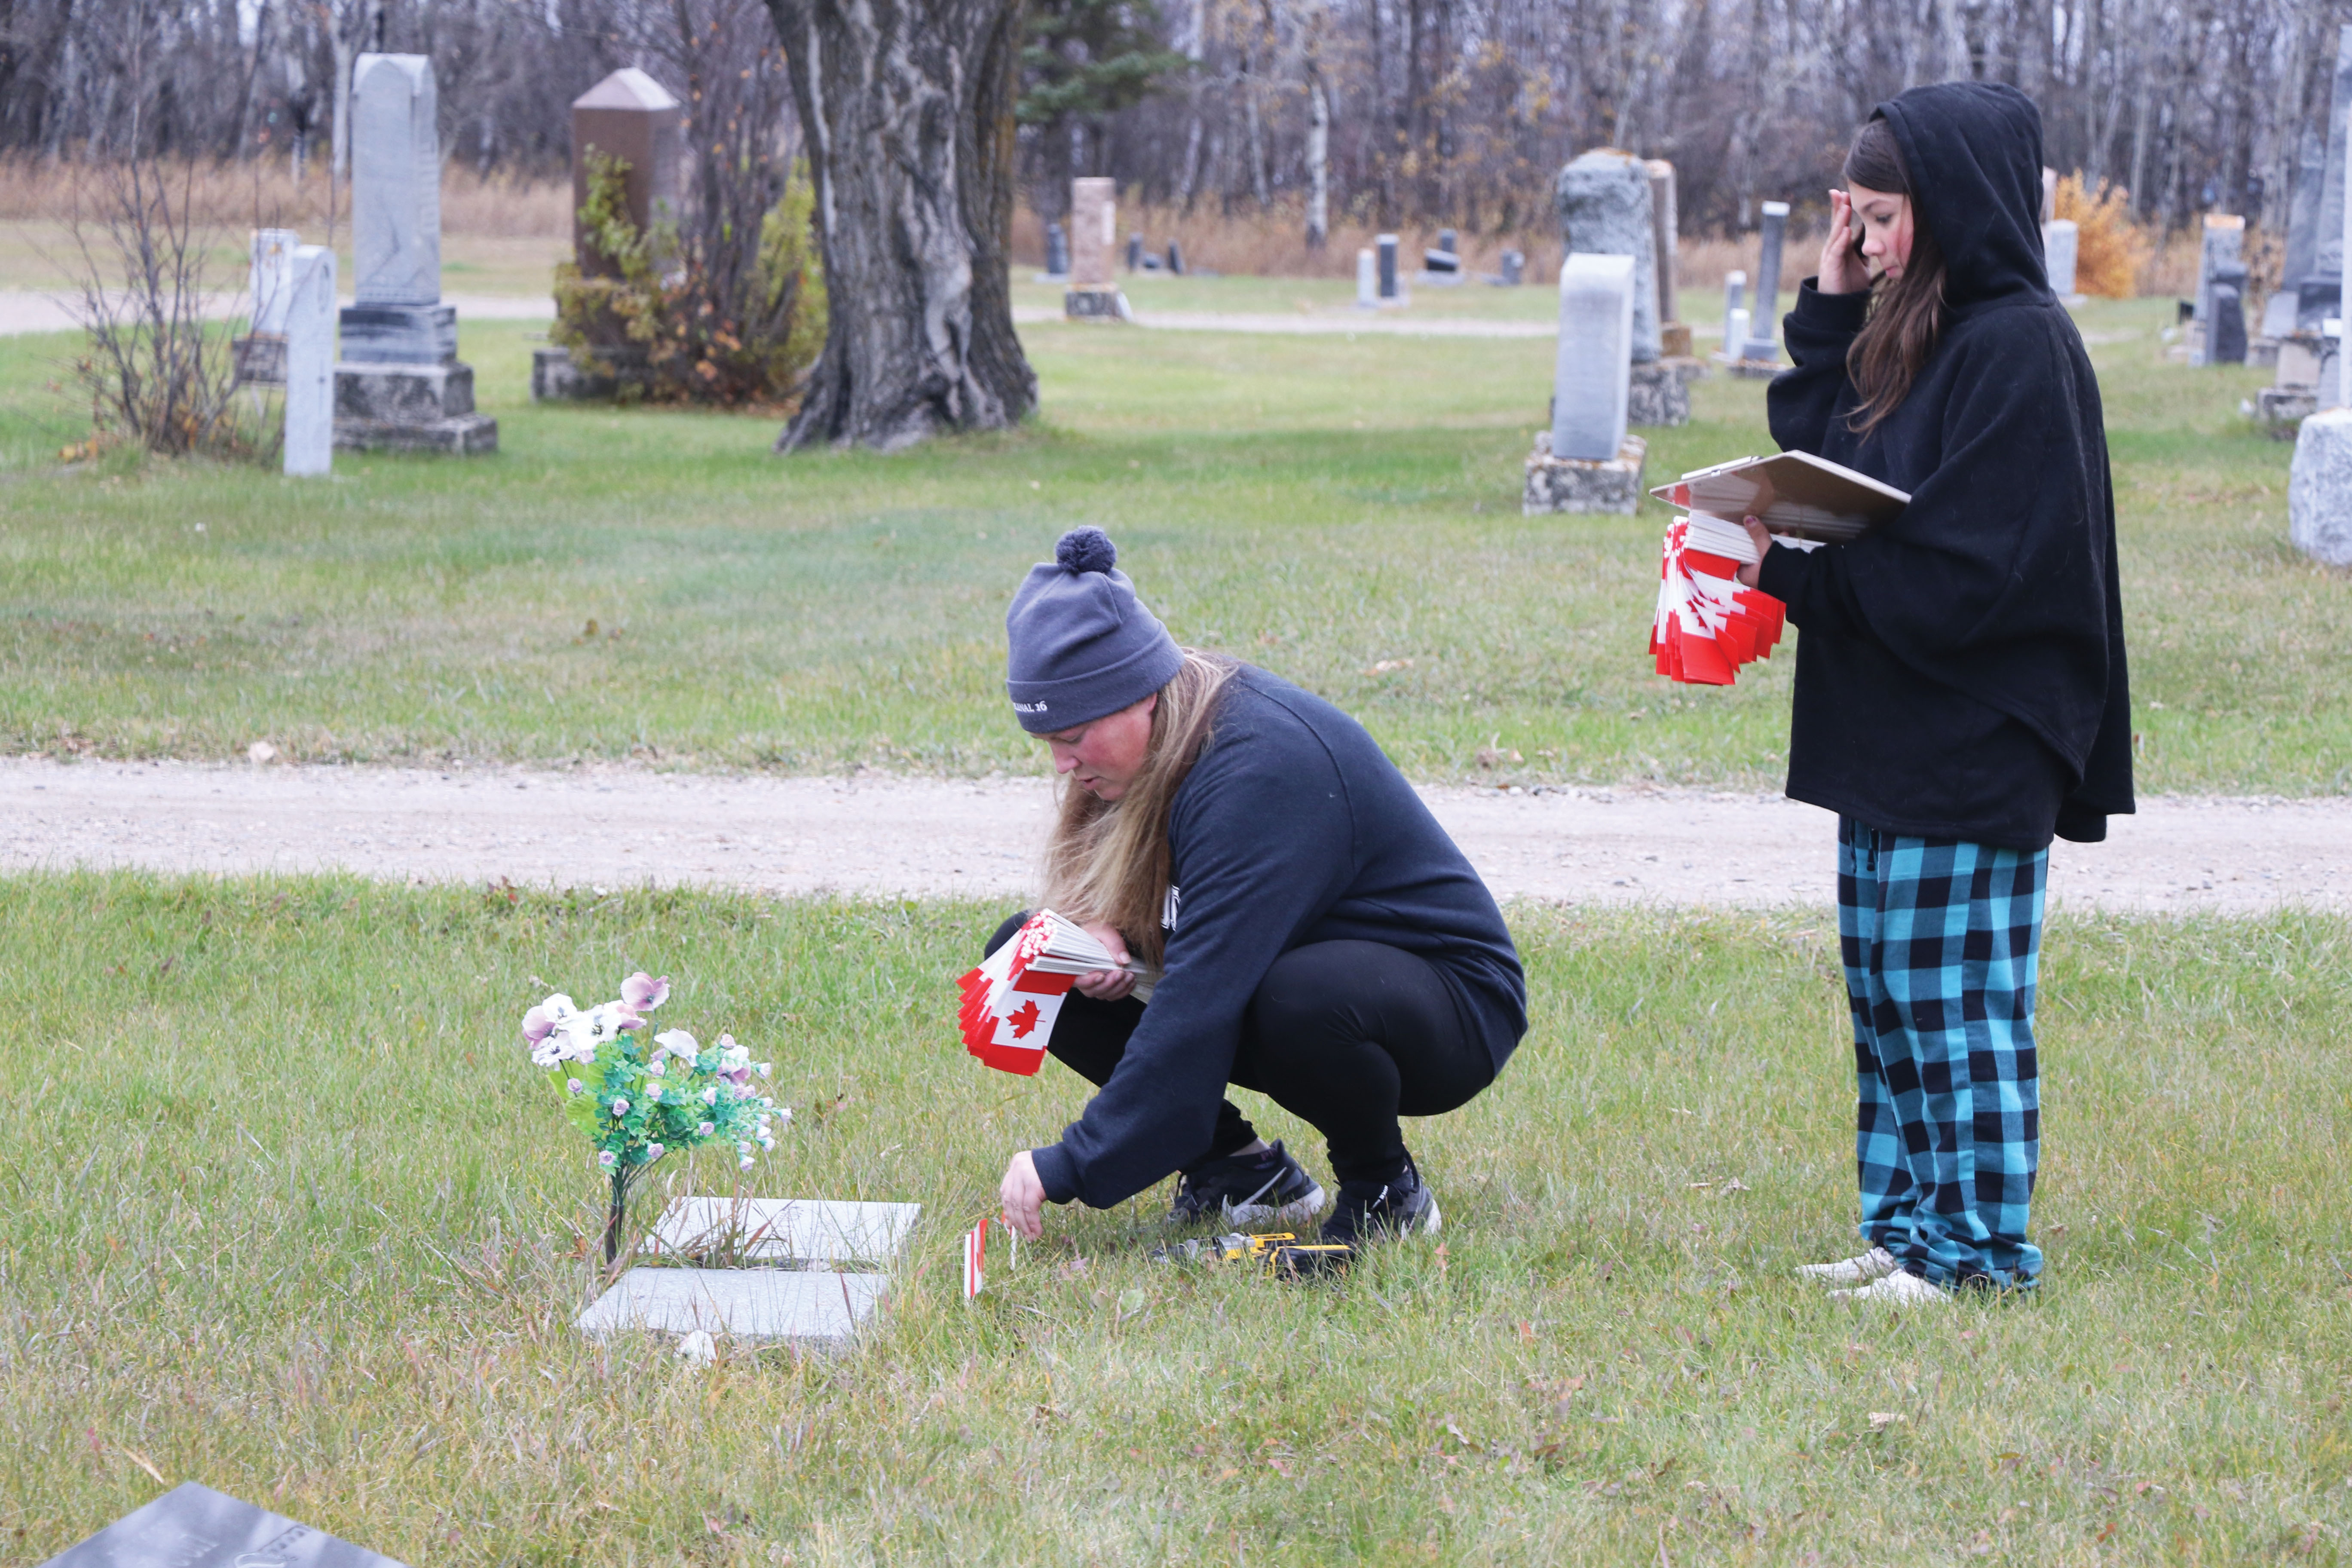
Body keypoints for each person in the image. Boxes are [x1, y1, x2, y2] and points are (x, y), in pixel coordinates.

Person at [1734, 83, 2134, 1305]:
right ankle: (1908, 1234)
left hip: (1978, 731)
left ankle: (1980, 1255)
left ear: (1953, 205)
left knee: (1958, 1006)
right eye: (1856, 212)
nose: (1869, 236)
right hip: (1895, 721)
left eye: (1886, 215)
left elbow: (1972, 577)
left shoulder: (2018, 345)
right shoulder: (1926, 326)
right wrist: (1836, 295)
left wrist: (1796, 578)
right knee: (1891, 997)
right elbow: (1828, 456)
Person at [987, 527, 1526, 1248]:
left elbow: (1206, 993)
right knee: (1038, 952)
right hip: (1287, 973)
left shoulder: (1259, 767)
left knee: (1296, 994)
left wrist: (1079, 1160)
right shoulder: (1155, 735)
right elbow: (1182, 935)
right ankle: (1243, 1175)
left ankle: (1384, 1192)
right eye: (1048, 742)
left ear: (1139, 697)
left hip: (1448, 1006)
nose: (1061, 764)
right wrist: (1102, 926)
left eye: (1075, 735)